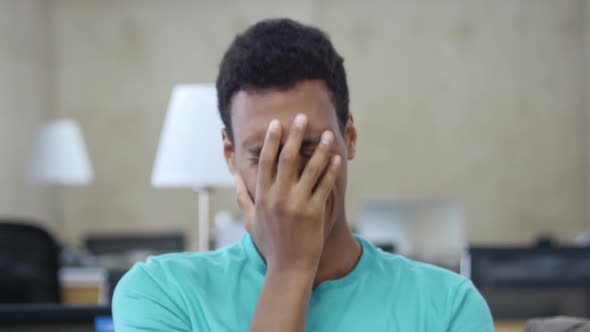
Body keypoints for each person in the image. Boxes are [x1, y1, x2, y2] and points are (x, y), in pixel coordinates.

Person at [113, 18, 494, 332]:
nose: (289, 177)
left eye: (309, 149)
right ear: (229, 155)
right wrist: (289, 268)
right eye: (263, 155)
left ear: (350, 138)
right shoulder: (161, 294)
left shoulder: (447, 307)